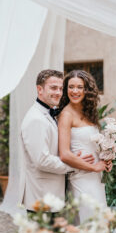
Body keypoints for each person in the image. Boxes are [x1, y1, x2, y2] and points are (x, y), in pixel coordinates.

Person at [21, 69, 94, 213]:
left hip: (54, 196)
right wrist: (76, 166)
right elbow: (42, 160)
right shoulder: (36, 119)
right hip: (42, 198)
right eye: (53, 88)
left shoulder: (50, 113)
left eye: (61, 88)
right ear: (39, 89)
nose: (58, 93)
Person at [58, 70, 112, 223]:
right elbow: (65, 154)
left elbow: (93, 144)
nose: (75, 91)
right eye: (71, 87)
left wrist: (106, 160)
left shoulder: (89, 112)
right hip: (81, 178)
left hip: (96, 179)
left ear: (86, 90)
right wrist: (94, 167)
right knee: (89, 222)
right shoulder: (66, 115)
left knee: (100, 221)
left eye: (79, 87)